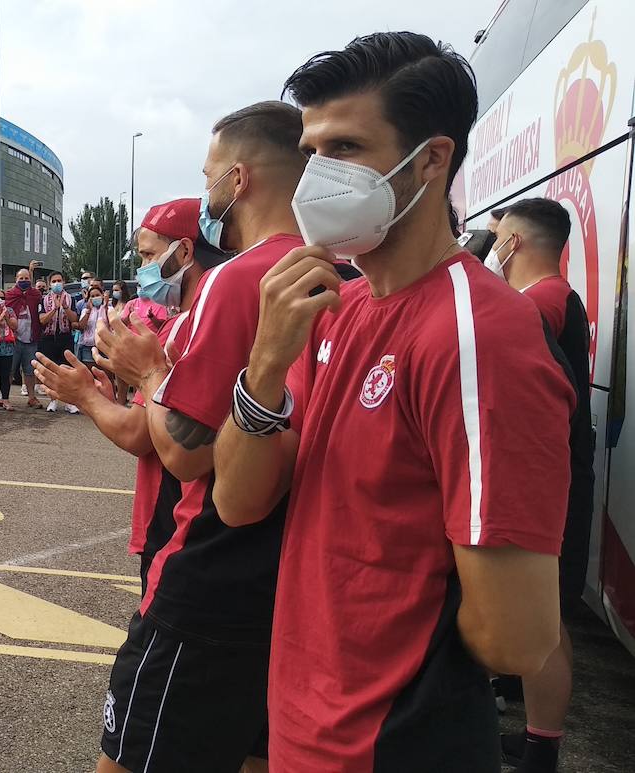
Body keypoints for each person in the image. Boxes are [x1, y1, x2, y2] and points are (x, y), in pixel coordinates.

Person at [211, 34, 572, 772]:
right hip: (304, 726)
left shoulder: (480, 335)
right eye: (312, 151)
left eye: (346, 146)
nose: (318, 177)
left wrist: (399, 667)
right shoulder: (335, 308)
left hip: (390, 746)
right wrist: (268, 363)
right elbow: (239, 500)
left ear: (433, 159)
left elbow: (514, 636)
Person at [86, 102, 310, 773]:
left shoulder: (241, 279)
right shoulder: (337, 276)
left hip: (207, 574)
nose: (207, 187)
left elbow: (185, 450)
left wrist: (149, 370)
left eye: (209, 173)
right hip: (286, 578)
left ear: (237, 180)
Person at [36, 197, 227, 605]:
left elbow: (139, 433)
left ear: (185, 251)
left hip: (177, 519)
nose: (142, 269)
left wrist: (85, 397)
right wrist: (110, 398)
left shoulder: (185, 328)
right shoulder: (201, 319)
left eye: (148, 255)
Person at [488, 198, 595, 773]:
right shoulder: (556, 299)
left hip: (545, 487)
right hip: (554, 481)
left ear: (515, 243)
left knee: (542, 617)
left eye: (497, 235)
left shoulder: (538, 305)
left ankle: (540, 748)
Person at [3, 262, 44, 409]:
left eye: (27, 278)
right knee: (9, 370)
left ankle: (32, 397)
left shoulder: (36, 295)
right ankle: (4, 397)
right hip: (13, 339)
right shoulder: (9, 295)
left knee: (30, 371)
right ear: (16, 279)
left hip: (31, 338)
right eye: (21, 278)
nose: (24, 281)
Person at [37, 271, 78, 413]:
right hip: (48, 338)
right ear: (49, 284)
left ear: (64, 282)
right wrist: (54, 308)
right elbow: (42, 320)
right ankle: (52, 400)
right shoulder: (44, 299)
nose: (57, 284)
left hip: (65, 337)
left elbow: (74, 319)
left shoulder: (71, 299)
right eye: (54, 281)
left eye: (59, 280)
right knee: (50, 370)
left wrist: (65, 307)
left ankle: (69, 402)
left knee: (67, 370)